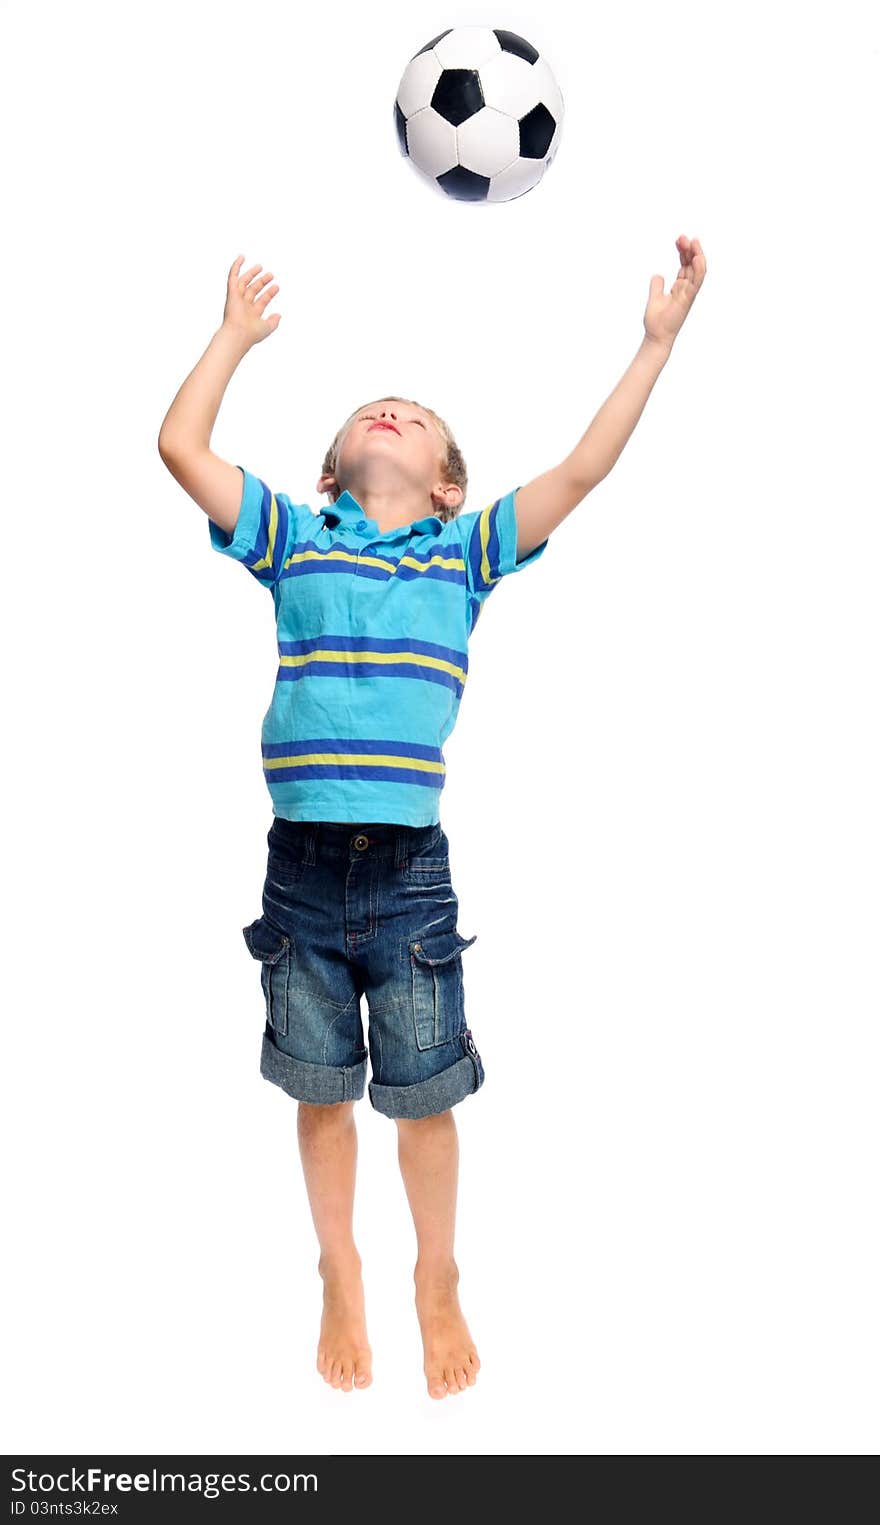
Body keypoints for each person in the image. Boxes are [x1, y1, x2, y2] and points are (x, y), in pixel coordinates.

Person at [157, 239, 707, 1399]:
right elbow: (180, 448)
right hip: (299, 870)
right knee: (319, 1091)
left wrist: (653, 343)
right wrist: (234, 339)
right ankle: (336, 1262)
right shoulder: (294, 538)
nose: (391, 413)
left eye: (412, 414)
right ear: (335, 469)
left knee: (423, 1094)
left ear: (449, 484)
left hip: (409, 875)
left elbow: (582, 470)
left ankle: (438, 1271)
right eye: (373, 411)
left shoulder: (462, 553)